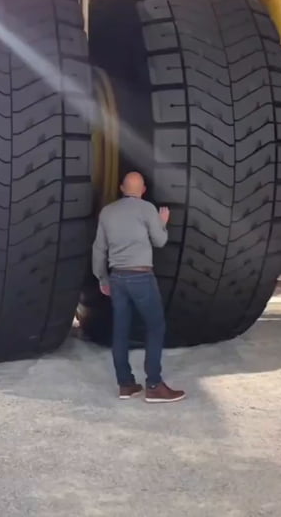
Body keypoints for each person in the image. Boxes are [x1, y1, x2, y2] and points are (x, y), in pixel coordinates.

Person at [92, 171, 185, 403]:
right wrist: (162, 224)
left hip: (117, 278)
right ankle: (154, 385)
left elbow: (98, 249)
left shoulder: (107, 212)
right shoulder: (147, 209)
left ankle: (126, 384)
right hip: (141, 276)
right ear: (143, 190)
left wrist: (103, 279)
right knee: (155, 326)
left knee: (120, 330)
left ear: (122, 188)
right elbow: (160, 241)